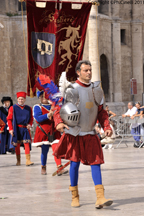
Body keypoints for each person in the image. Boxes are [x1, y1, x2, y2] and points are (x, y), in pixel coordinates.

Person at [53, 60, 113, 209]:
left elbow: (101, 112)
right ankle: (75, 195)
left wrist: (106, 125)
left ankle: (100, 197)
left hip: (91, 133)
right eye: (86, 70)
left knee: (96, 163)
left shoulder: (96, 89)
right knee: (74, 165)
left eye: (90, 70)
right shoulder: (71, 89)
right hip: (75, 133)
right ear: (78, 72)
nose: (89, 73)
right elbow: (58, 108)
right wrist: (59, 122)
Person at [33, 90, 68, 175]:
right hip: (43, 131)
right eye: (43, 97)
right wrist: (48, 115)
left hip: (54, 130)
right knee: (44, 150)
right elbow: (38, 118)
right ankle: (43, 166)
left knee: (56, 149)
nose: (45, 98)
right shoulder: (37, 107)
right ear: (40, 98)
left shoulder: (55, 106)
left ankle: (59, 167)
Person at [7, 92, 34, 166]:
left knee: (26, 143)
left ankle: (28, 160)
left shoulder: (29, 108)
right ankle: (18, 161)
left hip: (25, 128)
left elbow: (31, 118)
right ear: (17, 99)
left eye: (22, 99)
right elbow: (9, 119)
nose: (21, 100)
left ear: (25, 99)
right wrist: (11, 129)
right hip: (16, 128)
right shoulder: (13, 108)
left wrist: (30, 124)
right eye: (19, 99)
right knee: (17, 144)